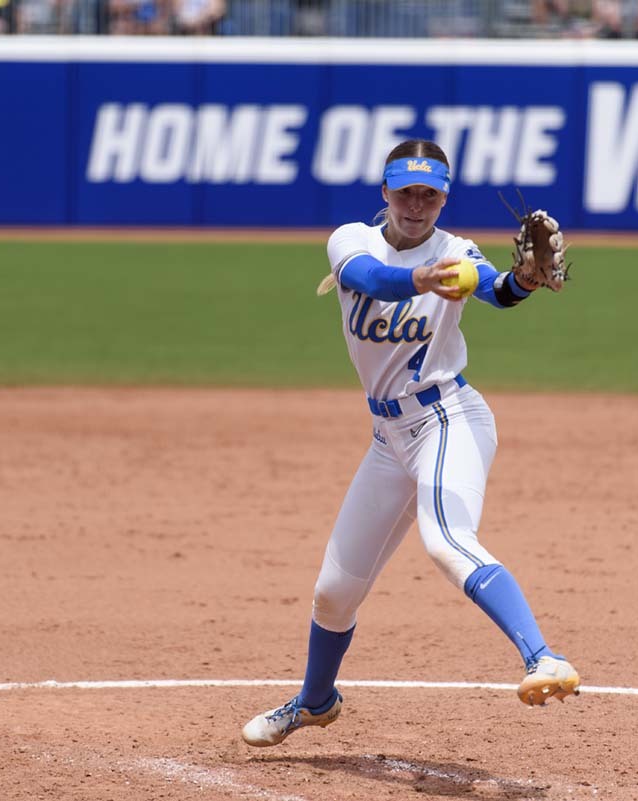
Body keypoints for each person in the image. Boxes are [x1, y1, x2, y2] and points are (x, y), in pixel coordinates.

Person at [241, 139, 581, 748]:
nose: (417, 204)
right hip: (386, 438)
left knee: (448, 541)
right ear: (385, 193)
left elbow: (491, 288)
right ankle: (316, 702)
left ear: (444, 197)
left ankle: (543, 658)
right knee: (333, 592)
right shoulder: (352, 239)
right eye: (406, 192)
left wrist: (524, 280)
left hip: (447, 418)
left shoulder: (456, 250)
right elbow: (369, 278)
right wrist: (418, 277)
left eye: (430, 194)